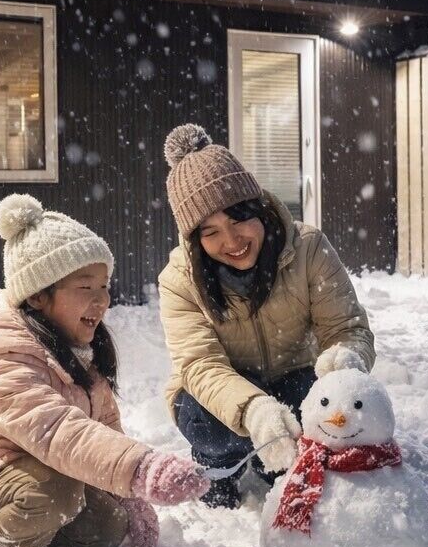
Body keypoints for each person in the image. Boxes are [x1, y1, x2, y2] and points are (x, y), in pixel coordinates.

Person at [0, 194, 209, 547]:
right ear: (38, 296)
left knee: (107, 527)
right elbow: (59, 432)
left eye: (104, 286)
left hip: (24, 468)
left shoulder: (76, 353)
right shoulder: (9, 364)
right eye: (85, 287)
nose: (102, 300)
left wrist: (129, 496)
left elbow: (102, 428)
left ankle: (33, 524)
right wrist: (141, 468)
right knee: (54, 494)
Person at [158, 123, 376, 507]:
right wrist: (253, 410)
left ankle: (272, 465)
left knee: (316, 410)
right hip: (221, 391)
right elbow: (200, 365)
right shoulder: (179, 279)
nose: (231, 241)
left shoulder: (308, 248)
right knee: (209, 422)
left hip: (294, 375)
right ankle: (219, 465)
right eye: (210, 232)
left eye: (237, 218)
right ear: (194, 240)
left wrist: (345, 361)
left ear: (257, 207)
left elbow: (346, 327)